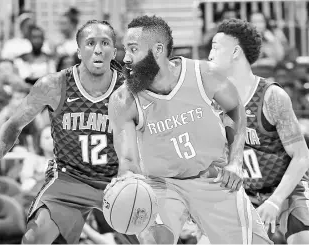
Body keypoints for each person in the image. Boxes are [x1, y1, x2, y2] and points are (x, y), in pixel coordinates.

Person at [0, 19, 138, 244]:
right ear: (79, 50)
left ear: (114, 51)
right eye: (91, 43)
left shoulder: (130, 91)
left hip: (116, 179)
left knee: (158, 238)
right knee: (34, 238)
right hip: (69, 177)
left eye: (105, 43)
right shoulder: (53, 86)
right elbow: (14, 125)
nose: (98, 49)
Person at [107, 15, 271, 244]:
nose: (126, 58)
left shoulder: (205, 74)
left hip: (212, 177)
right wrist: (126, 181)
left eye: (133, 49)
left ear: (157, 50)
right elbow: (127, 158)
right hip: (161, 185)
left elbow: (235, 110)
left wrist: (235, 162)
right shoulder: (123, 99)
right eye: (125, 50)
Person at [209, 18, 309, 244]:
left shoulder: (271, 96)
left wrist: (275, 201)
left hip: (286, 190)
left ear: (235, 52)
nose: (210, 55)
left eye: (216, 48)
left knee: (303, 239)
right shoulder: (213, 101)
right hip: (245, 194)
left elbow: (302, 156)